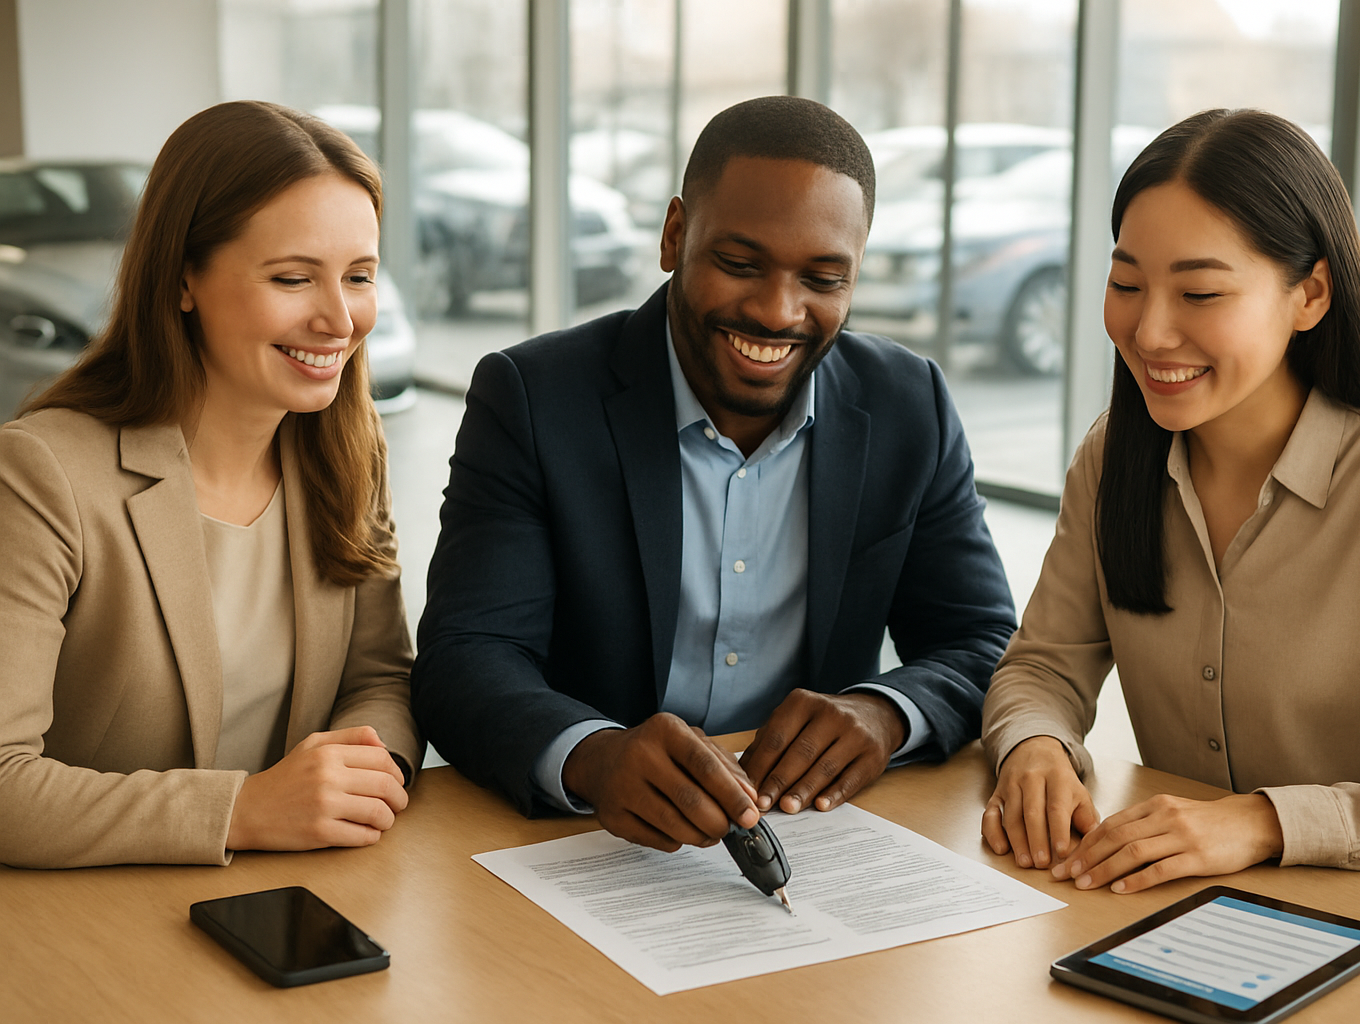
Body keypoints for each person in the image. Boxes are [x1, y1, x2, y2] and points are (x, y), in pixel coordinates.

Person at [413, 95, 1015, 851]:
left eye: (824, 279)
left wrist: (883, 712)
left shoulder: (907, 403)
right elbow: (465, 658)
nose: (777, 311)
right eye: (740, 265)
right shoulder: (535, 398)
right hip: (585, 847)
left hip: (817, 840)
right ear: (674, 236)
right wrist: (594, 757)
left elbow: (984, 640)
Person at [981, 108, 1360, 893]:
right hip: (1185, 913)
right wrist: (1032, 745)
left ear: (1310, 295)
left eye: (1200, 293)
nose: (1149, 330)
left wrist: (1262, 822)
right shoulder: (1115, 460)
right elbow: (1042, 668)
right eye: (1126, 283)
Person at [0, 101, 422, 869]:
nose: (340, 318)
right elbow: (4, 783)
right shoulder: (41, 475)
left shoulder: (348, 452)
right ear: (184, 278)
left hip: (296, 892)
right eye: (294, 277)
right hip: (91, 927)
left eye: (359, 276)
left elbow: (381, 678)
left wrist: (367, 775)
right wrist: (244, 810)